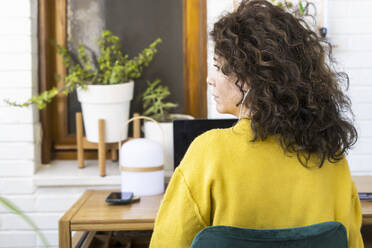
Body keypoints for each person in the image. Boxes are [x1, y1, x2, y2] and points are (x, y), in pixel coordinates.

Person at [149, 0, 363, 247]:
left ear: (254, 78)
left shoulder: (208, 155)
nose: (209, 79)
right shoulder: (331, 157)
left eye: (219, 68)